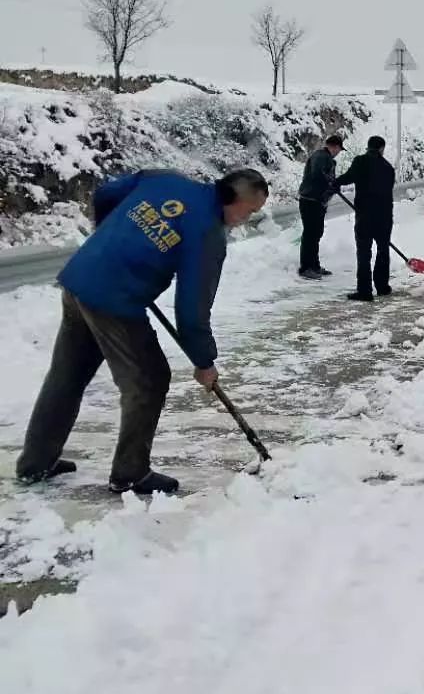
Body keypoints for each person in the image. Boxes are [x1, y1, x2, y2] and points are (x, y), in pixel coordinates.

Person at [16, 167, 268, 495]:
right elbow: (192, 311)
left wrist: (111, 237)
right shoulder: (207, 234)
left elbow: (106, 193)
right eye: (249, 212)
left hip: (82, 276)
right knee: (149, 380)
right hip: (115, 301)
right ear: (233, 200)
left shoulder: (165, 179)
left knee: (68, 375)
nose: (245, 220)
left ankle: (35, 464)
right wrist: (204, 362)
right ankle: (131, 472)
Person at [335, 135, 396, 301]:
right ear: (382, 148)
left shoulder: (360, 161)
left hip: (365, 215)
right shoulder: (388, 168)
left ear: (368, 147)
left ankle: (365, 291)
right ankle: (382, 287)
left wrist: (335, 183)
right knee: (383, 250)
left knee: (364, 252)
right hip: (384, 216)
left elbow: (349, 177)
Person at [297, 133, 344, 279]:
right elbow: (318, 174)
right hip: (310, 200)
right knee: (311, 234)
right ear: (334, 147)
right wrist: (331, 183)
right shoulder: (320, 156)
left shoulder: (326, 158)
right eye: (339, 149)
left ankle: (314, 265)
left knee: (316, 233)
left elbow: (325, 176)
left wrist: (332, 186)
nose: (338, 153)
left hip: (317, 201)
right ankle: (306, 268)